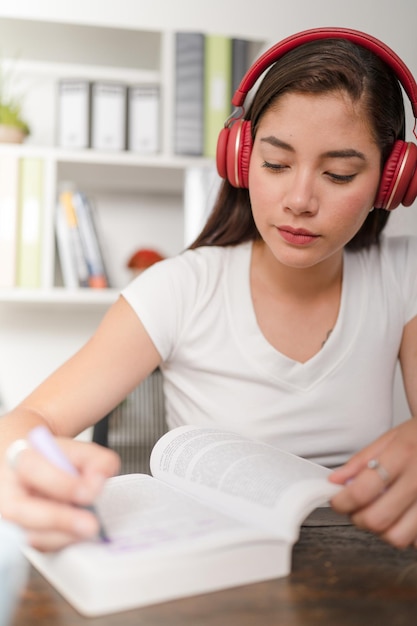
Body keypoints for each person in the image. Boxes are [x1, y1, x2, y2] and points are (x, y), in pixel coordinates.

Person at [1, 26, 417, 553]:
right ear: (241, 160)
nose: (300, 199)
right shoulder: (180, 288)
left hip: (358, 570)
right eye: (276, 164)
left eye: (338, 174)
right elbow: (27, 421)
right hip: (215, 566)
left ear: (392, 180)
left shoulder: (402, 277)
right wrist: (19, 462)